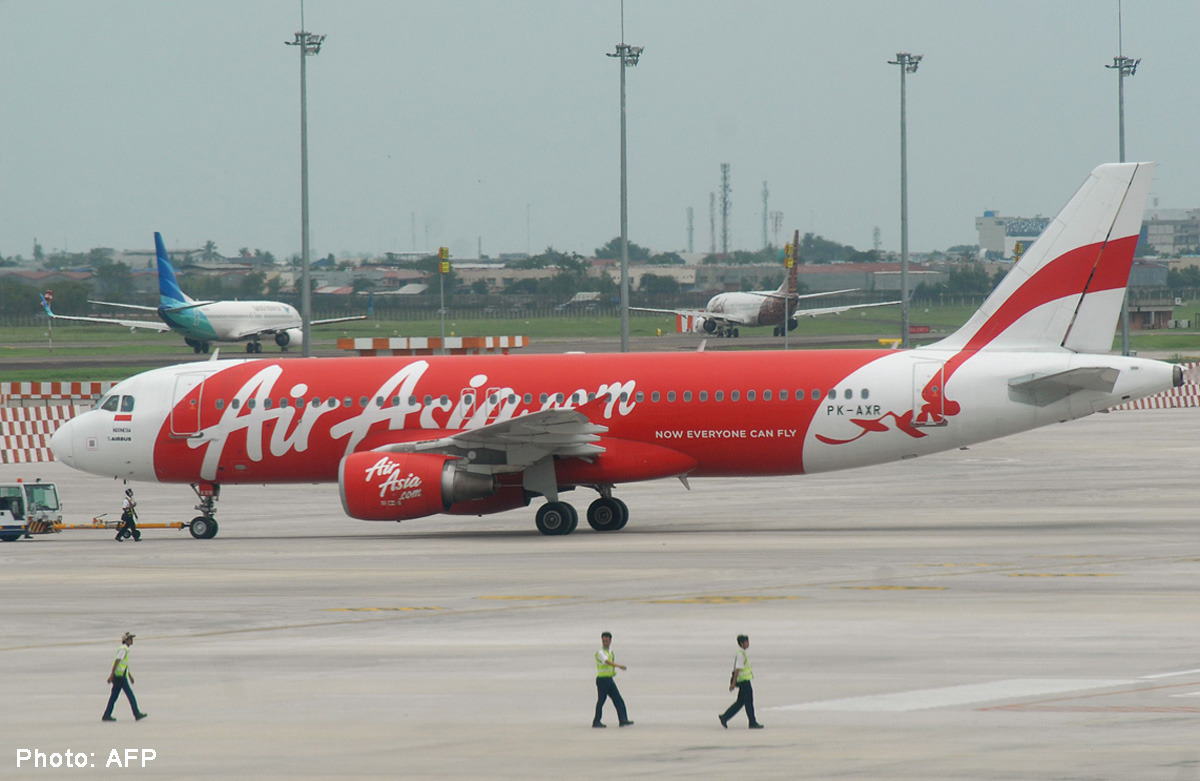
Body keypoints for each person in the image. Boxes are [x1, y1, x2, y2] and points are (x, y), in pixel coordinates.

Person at [719, 634, 763, 729]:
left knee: (740, 702)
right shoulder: (740, 655)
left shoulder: (742, 653)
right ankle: (752, 722)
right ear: (742, 643)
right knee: (748, 702)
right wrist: (733, 683)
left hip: (744, 681)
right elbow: (737, 669)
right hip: (744, 682)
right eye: (746, 642)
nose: (748, 643)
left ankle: (725, 717)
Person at [102, 632, 147, 722]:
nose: (132, 641)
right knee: (130, 695)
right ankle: (136, 713)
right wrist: (111, 675)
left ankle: (107, 715)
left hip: (119, 676)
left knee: (114, 696)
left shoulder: (125, 649)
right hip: (119, 677)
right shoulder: (123, 650)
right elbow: (117, 661)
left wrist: (130, 676)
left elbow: (124, 665)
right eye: (130, 639)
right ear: (125, 640)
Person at [593, 631, 633, 728]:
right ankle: (596, 721)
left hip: (609, 679)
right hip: (602, 680)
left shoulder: (610, 651)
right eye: (603, 641)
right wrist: (619, 666)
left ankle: (623, 719)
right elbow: (607, 662)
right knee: (601, 700)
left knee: (618, 699)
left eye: (607, 641)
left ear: (610, 641)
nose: (605, 643)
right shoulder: (601, 653)